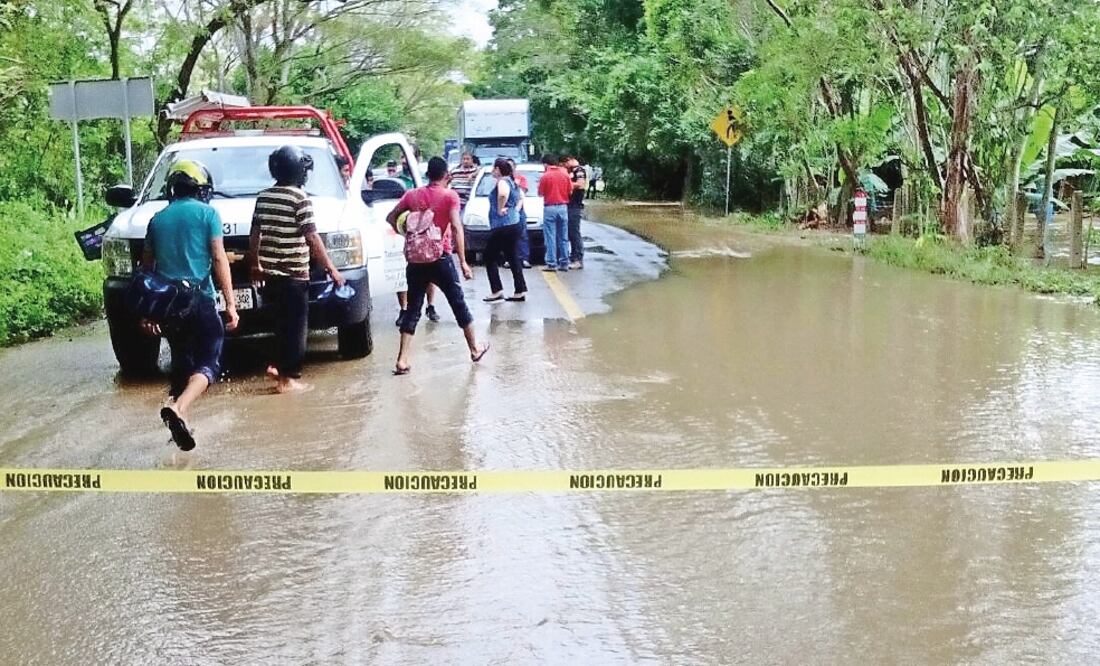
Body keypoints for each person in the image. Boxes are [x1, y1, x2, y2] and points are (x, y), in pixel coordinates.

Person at [141, 159, 239, 451]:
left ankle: (179, 421)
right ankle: (180, 407)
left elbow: (147, 271)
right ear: (200, 188)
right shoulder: (208, 214)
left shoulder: (157, 220)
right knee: (209, 361)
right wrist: (230, 303)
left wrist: (148, 312)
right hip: (200, 300)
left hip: (169, 305)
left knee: (181, 361)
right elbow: (219, 258)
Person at [249, 145, 345, 394]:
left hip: (270, 276)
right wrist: (331, 269)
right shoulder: (300, 198)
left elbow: (255, 233)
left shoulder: (263, 197)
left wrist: (255, 264)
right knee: (296, 329)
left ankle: (277, 368)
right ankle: (287, 380)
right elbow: (312, 237)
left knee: (279, 326)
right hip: (294, 276)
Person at [386, 156, 488, 375]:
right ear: (446, 175)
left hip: (415, 260)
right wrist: (463, 262)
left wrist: (408, 234)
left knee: (413, 308)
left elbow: (391, 217)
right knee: (458, 303)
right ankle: (474, 349)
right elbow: (457, 227)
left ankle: (402, 359)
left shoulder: (412, 195)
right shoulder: (450, 196)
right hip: (440, 258)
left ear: (428, 174)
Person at [482, 158, 527, 303]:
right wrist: (515, 210)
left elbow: (502, 194)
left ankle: (496, 290)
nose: (492, 171)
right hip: (513, 222)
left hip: (503, 225)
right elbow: (521, 198)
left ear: (498, 169)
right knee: (512, 256)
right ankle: (519, 290)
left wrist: (500, 208)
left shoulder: (502, 182)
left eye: (494, 168)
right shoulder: (513, 181)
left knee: (489, 256)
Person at [538, 153, 571, 271]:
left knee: (550, 237)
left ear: (546, 164)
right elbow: (570, 191)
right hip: (563, 207)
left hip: (550, 207)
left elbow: (540, 193)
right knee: (563, 236)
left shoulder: (545, 176)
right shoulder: (565, 174)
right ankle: (564, 262)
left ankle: (551, 263)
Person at [506, 157, 531, 268]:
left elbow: (523, 192)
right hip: (507, 210)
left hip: (519, 210)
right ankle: (509, 259)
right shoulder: (502, 180)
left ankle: (524, 258)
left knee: (522, 234)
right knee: (508, 237)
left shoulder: (521, 178)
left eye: (511, 166)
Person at [564, 156, 587, 269]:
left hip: (575, 206)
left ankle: (578, 259)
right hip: (569, 205)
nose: (565, 165)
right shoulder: (571, 171)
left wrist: (566, 183)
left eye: (565, 162)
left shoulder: (579, 171)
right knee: (570, 233)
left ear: (570, 160)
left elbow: (580, 184)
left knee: (574, 233)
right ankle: (573, 256)